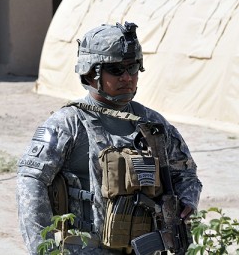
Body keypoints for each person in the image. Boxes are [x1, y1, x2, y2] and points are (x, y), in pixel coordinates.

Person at [16, 22, 202, 254]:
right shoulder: (68, 123)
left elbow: (186, 174)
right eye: (116, 70)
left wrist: (187, 201)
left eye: (133, 68)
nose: (127, 77)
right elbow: (31, 184)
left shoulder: (153, 124)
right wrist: (42, 249)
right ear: (90, 72)